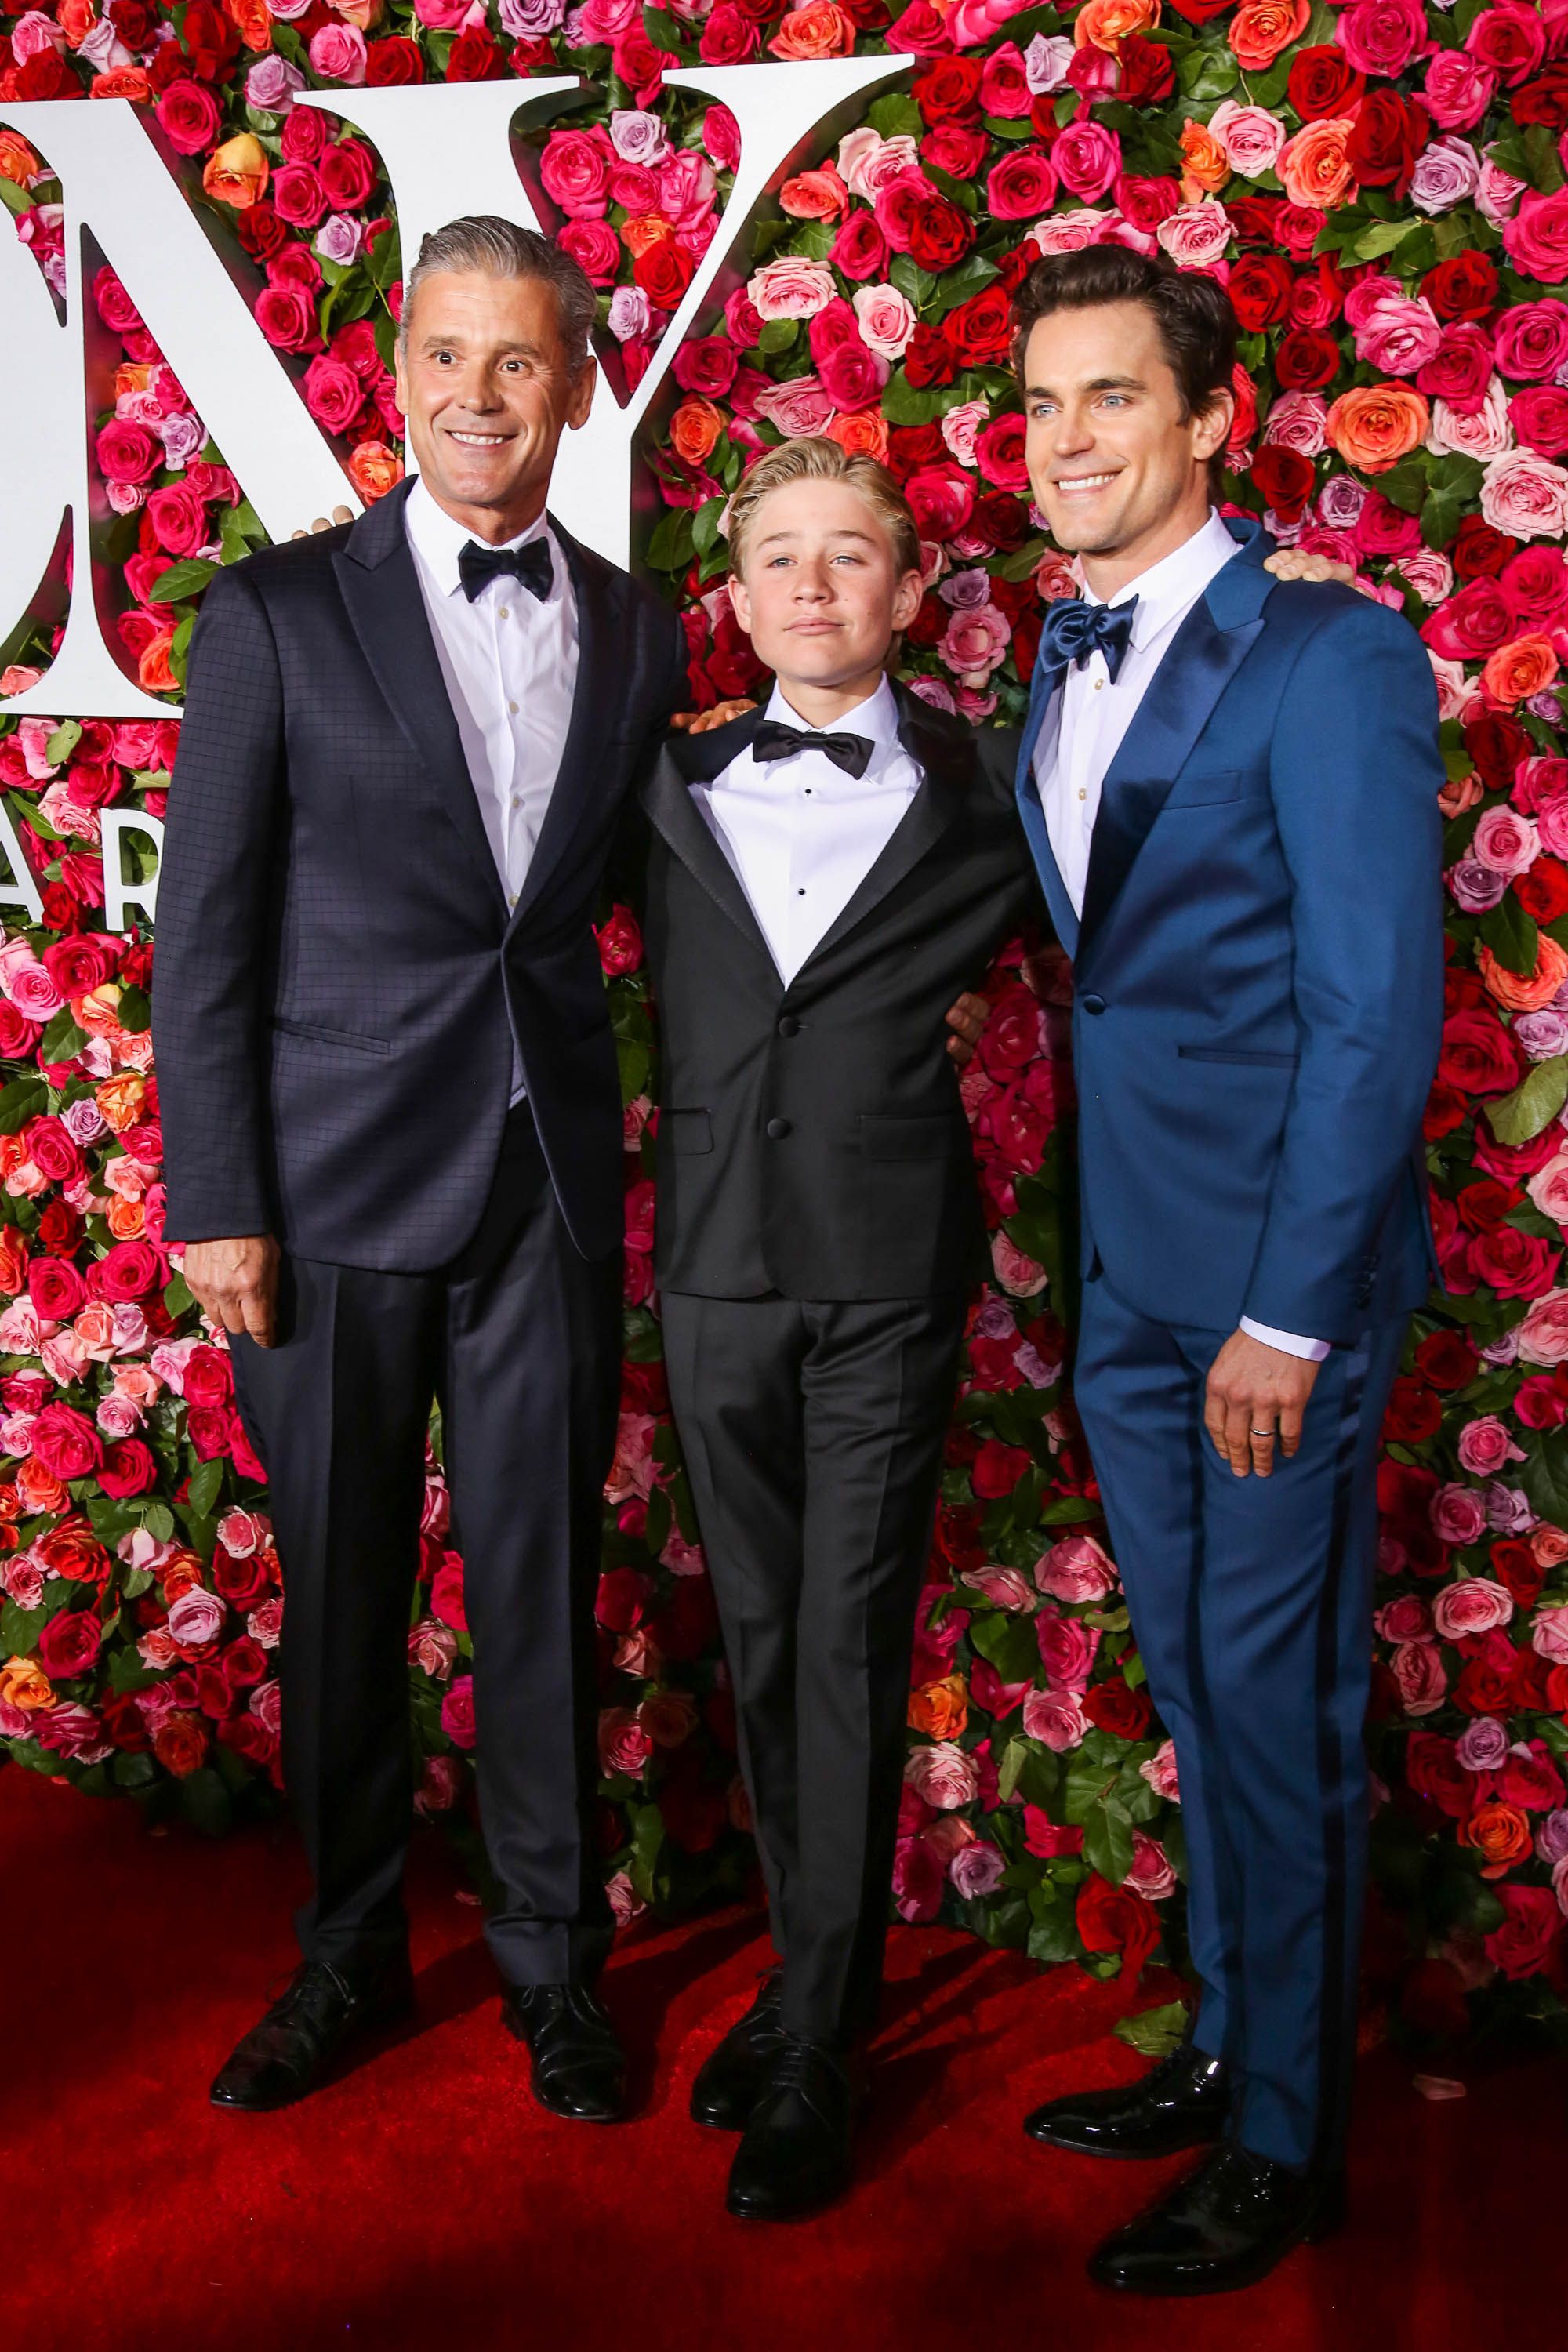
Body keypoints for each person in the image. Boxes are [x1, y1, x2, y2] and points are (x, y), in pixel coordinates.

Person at [152, 216, 692, 2126]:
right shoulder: (278, 615)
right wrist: (214, 1194)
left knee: (541, 1582)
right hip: (324, 1193)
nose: (480, 397)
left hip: (542, 1178)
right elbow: (202, 932)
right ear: (398, 368)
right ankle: (348, 1956)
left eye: (519, 362)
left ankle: (553, 1965)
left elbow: (656, 902)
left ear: (574, 382)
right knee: (341, 1594)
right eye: (448, 357)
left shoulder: (640, 627)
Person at [1008, 247, 1443, 2295]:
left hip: (1273, 1301)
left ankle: (1288, 2138)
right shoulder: (1055, 650)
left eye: (1110, 399)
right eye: (1041, 403)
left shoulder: (1324, 655)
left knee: (1270, 1699)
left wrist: (1287, 1314)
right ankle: (1225, 2037)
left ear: (1204, 422)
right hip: (1124, 1280)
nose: (1068, 438)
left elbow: (1373, 1009)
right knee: (1194, 1681)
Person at [639, 438, 1039, 2220]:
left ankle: (816, 2038)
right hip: (713, 1269)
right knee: (759, 1631)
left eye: (850, 556)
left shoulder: (990, 796)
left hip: (890, 1272)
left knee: (848, 1641)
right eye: (779, 557)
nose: (813, 585)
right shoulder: (658, 791)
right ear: (732, 600)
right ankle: (819, 1979)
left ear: (903, 593)